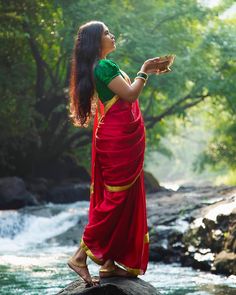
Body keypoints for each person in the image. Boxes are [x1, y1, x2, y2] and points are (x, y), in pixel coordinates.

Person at [68, 20, 170, 286]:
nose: (112, 36)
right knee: (115, 200)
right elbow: (131, 95)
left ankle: (109, 262)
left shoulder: (104, 67)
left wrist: (146, 72)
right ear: (95, 41)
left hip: (119, 140)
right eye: (106, 33)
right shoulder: (103, 66)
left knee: (122, 199)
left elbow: (126, 94)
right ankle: (80, 256)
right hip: (117, 142)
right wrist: (145, 70)